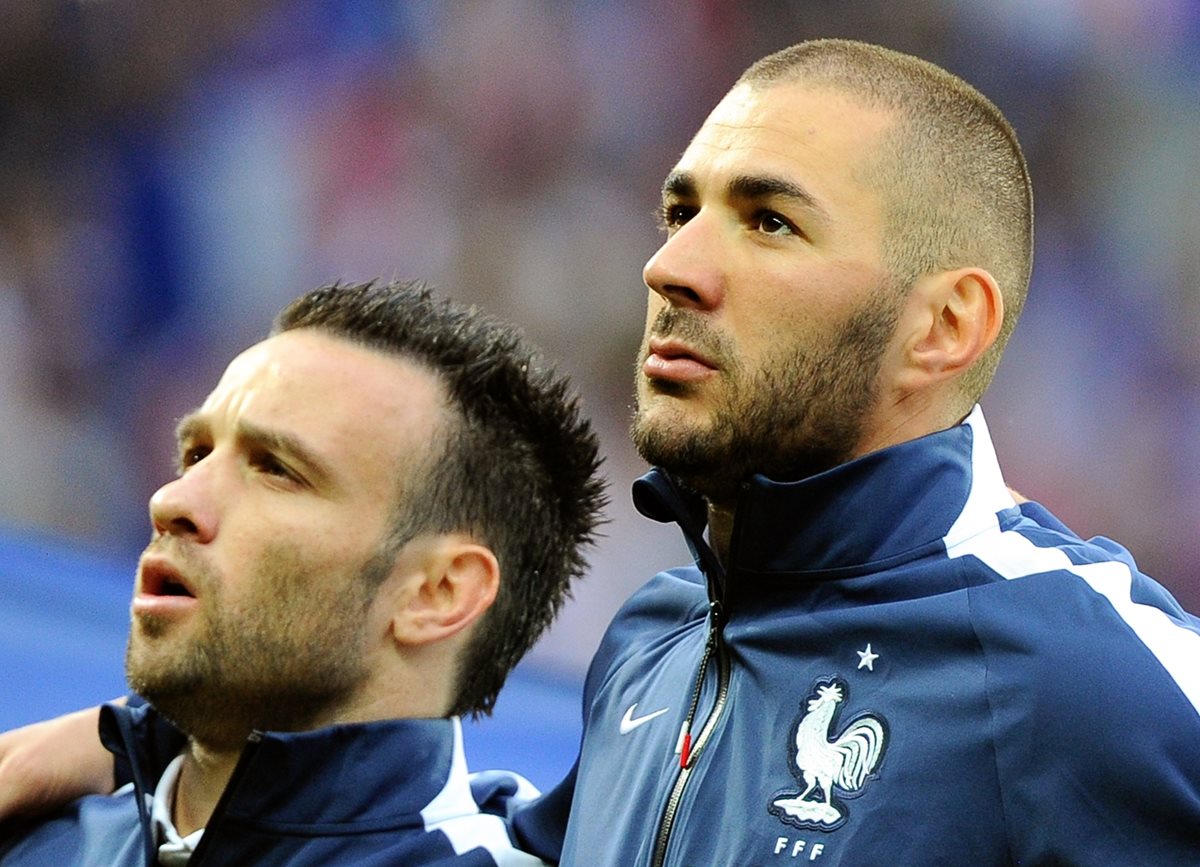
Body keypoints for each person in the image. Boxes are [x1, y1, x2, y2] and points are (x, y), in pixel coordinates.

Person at [4, 38, 1200, 866]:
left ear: (945, 327)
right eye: (683, 209)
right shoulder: (658, 643)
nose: (671, 266)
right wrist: (148, 740)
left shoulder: (1073, 668)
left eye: (769, 221)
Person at [0, 279, 605, 866]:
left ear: (437, 593)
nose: (172, 501)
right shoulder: (34, 835)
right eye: (197, 454)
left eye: (276, 469)